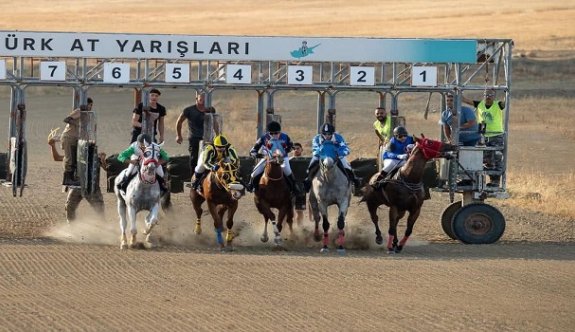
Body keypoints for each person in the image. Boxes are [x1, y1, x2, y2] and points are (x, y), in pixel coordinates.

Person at [48, 129, 105, 223]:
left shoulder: (93, 155)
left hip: (90, 186)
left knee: (99, 209)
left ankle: (103, 227)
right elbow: (57, 158)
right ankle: (72, 226)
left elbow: (105, 167)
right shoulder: (73, 157)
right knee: (70, 207)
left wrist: (102, 160)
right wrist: (52, 145)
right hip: (78, 185)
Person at [462, 89, 506, 187]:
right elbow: (466, 100)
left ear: (494, 96)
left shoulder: (497, 105)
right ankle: (482, 181)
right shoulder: (480, 104)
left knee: (496, 158)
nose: (488, 96)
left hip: (496, 135)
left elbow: (505, 102)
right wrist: (459, 93)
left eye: (490, 95)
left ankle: (495, 182)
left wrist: (506, 93)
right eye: (486, 94)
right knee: (485, 159)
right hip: (483, 136)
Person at [303, 122, 361, 192]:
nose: (327, 136)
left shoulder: (338, 137)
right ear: (321, 133)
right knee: (311, 166)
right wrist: (321, 152)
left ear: (332, 133)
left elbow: (345, 148)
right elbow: (315, 150)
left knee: (346, 165)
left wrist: (339, 153)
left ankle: (354, 180)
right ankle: (308, 181)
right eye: (324, 134)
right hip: (321, 156)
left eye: (329, 134)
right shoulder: (316, 138)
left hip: (336, 156)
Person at [246, 121, 301, 195]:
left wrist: (285, 151)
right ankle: (251, 185)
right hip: (268, 159)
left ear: (279, 132)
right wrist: (261, 156)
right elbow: (252, 151)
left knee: (288, 171)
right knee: (254, 172)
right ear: (268, 133)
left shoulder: (285, 136)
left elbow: (292, 146)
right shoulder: (263, 138)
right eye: (271, 133)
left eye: (276, 133)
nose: (274, 135)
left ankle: (294, 187)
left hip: (283, 158)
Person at [60, 98, 93, 186]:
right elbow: (67, 119)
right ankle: (67, 179)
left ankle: (73, 178)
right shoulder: (79, 111)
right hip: (69, 137)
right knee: (69, 158)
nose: (91, 107)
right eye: (90, 105)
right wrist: (77, 125)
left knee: (75, 159)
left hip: (76, 139)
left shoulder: (87, 115)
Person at [175, 92, 211, 172]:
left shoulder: (210, 110)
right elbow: (179, 121)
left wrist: (218, 134)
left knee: (208, 157)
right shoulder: (189, 110)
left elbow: (214, 122)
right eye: (201, 99)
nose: (203, 101)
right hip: (194, 137)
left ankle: (205, 177)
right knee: (194, 158)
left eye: (205, 99)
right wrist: (179, 135)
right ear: (197, 99)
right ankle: (193, 178)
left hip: (207, 138)